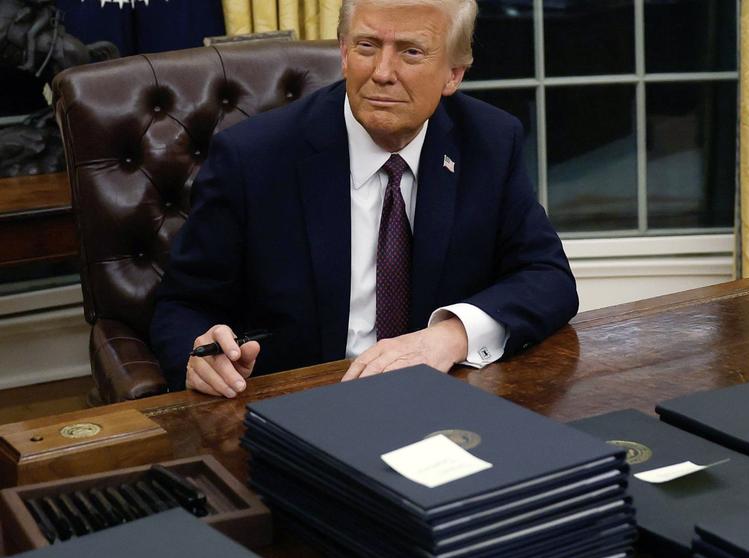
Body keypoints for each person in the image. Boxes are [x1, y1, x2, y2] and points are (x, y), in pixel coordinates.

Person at [150, 0, 577, 398]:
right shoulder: (253, 158)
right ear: (343, 52)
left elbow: (548, 277)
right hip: (300, 403)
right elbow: (182, 305)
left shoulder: (489, 142)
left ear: (454, 74)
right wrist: (198, 354)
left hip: (442, 397)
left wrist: (451, 335)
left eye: (411, 52)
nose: (383, 72)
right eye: (367, 46)